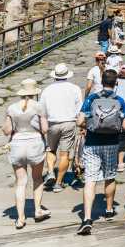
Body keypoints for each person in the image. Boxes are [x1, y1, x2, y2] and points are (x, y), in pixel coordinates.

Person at [76, 69, 125, 235]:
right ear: (116, 83)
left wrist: (88, 126)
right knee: (110, 176)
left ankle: (87, 218)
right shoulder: (119, 100)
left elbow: (79, 121)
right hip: (112, 144)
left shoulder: (92, 98)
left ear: (101, 81)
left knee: (90, 180)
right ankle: (108, 209)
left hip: (92, 143)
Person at [2, 78, 50, 229]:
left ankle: (20, 218)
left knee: (21, 183)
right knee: (37, 179)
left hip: (17, 144)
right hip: (35, 144)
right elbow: (45, 129)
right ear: (34, 91)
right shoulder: (39, 106)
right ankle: (37, 210)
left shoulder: (12, 108)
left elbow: (7, 130)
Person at [40, 63, 83, 193]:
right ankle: (58, 183)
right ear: (67, 75)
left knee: (51, 149)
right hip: (69, 122)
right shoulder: (75, 88)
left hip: (53, 122)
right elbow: (79, 108)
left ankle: (51, 171)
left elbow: (42, 109)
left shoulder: (47, 90)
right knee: (64, 154)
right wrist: (81, 124)